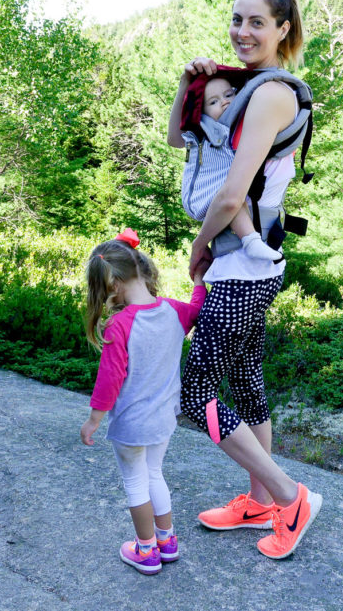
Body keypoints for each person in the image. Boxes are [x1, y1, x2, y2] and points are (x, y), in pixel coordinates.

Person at [167, 0, 322, 560]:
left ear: (284, 30)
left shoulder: (272, 93)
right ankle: (260, 497)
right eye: (237, 19)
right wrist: (188, 83)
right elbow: (182, 139)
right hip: (249, 265)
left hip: (240, 267)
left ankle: (289, 494)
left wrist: (199, 247)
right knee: (247, 379)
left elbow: (231, 196)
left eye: (257, 22)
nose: (242, 31)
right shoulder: (250, 88)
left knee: (197, 390)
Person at [79, 228, 207, 575]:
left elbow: (109, 380)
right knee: (155, 475)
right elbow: (197, 307)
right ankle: (167, 542)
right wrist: (198, 280)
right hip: (164, 420)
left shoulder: (120, 325)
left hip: (132, 425)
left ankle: (146, 550)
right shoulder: (173, 312)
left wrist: (94, 420)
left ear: (114, 285)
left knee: (136, 482)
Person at [168, 73, 283, 263]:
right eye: (213, 102)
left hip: (222, 195)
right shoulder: (201, 130)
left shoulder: (240, 125)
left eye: (229, 95)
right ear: (201, 112)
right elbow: (173, 139)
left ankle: (252, 240)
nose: (224, 102)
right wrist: (184, 85)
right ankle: (251, 240)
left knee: (234, 195)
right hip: (201, 195)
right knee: (231, 198)